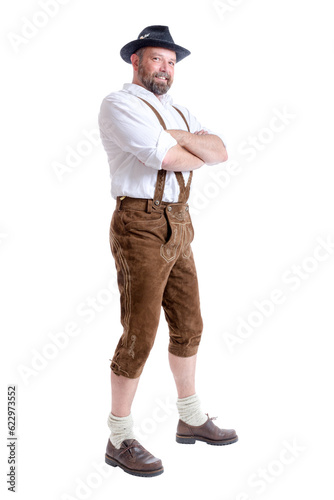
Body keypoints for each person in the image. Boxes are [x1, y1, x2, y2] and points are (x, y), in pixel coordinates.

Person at [98, 25, 238, 478]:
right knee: (140, 331)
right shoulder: (118, 104)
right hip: (139, 222)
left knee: (190, 322)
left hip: (179, 219)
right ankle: (119, 438)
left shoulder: (178, 108)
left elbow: (220, 151)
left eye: (172, 62)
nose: (166, 68)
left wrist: (182, 139)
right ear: (136, 61)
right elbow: (170, 158)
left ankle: (190, 416)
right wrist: (188, 147)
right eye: (157, 59)